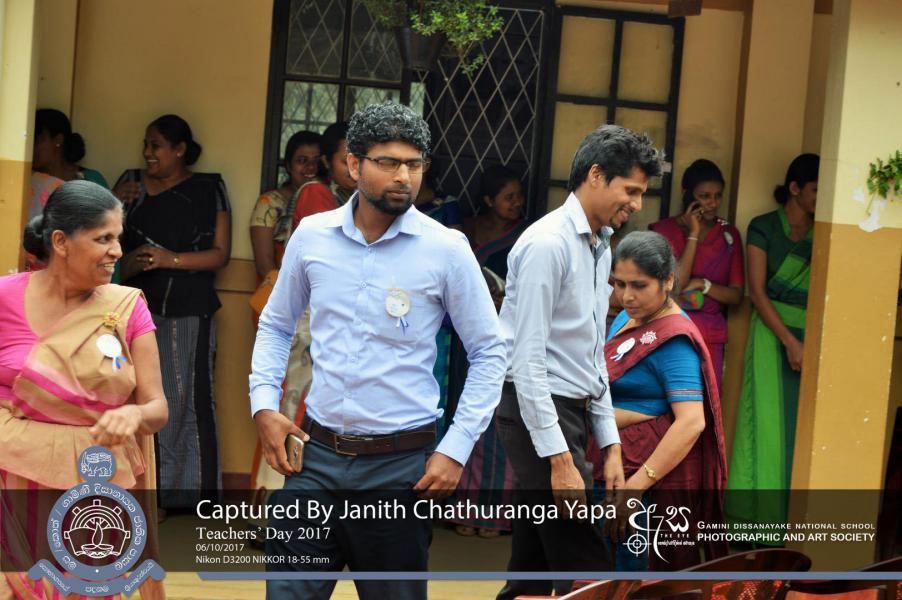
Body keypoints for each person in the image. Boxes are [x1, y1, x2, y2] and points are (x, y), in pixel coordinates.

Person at [249, 103, 506, 600]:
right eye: (388, 162)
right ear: (353, 165)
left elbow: (489, 352)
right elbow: (277, 324)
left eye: (414, 164)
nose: (403, 176)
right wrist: (263, 405)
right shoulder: (313, 237)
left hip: (400, 470)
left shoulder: (447, 249)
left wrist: (455, 449)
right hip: (315, 460)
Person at [495, 124, 662, 600]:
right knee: (588, 569)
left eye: (641, 193)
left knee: (531, 570)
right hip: (536, 411)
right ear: (595, 175)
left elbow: (592, 356)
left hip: (568, 411)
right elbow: (526, 360)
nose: (637, 204)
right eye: (630, 190)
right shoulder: (547, 244)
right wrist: (560, 460)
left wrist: (610, 444)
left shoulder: (600, 246)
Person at [0, 180, 168, 598]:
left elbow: (157, 407)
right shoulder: (4, 298)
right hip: (12, 486)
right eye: (103, 239)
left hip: (94, 488)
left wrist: (134, 413)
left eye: (118, 238)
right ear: (61, 242)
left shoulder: (127, 307)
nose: (117, 251)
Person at [116, 114, 231, 510]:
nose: (148, 153)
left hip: (188, 308)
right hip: (133, 307)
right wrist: (130, 257)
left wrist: (169, 259)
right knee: (132, 396)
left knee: (184, 397)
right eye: (145, 145)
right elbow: (105, 242)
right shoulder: (129, 185)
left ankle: (184, 495)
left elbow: (220, 254)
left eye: (157, 146)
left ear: (180, 150)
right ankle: (138, 492)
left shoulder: (208, 189)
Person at [601, 231, 728, 570]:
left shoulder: (674, 339)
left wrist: (635, 489)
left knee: (628, 582)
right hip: (610, 467)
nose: (627, 295)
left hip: (639, 484)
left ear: (668, 281)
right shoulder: (627, 318)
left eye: (639, 285)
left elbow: (691, 422)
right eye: (620, 284)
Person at [726, 153, 819, 534]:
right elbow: (758, 293)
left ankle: (792, 523)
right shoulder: (763, 227)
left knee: (800, 431)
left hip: (811, 335)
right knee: (765, 426)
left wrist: (806, 342)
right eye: (816, 190)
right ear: (795, 188)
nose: (821, 198)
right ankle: (759, 524)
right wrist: (790, 342)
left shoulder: (823, 231)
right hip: (771, 333)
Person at [451, 164, 527, 537]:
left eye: (519, 196)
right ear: (487, 199)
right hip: (462, 340)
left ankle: (495, 512)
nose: (517, 203)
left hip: (505, 340)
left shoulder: (524, 239)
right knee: (464, 418)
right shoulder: (464, 231)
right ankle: (462, 507)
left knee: (498, 424)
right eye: (508, 197)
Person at [650, 159, 744, 389]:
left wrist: (704, 284)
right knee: (668, 402)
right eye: (705, 196)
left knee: (706, 405)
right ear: (687, 194)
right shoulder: (662, 231)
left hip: (710, 337)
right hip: (670, 331)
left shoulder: (729, 235)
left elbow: (736, 295)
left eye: (718, 196)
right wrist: (693, 233)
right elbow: (677, 285)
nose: (713, 203)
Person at [250, 130, 323, 280]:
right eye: (302, 160)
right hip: (280, 289)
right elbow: (264, 266)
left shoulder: (330, 201)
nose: (311, 167)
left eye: (317, 161)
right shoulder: (269, 203)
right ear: (288, 166)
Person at [291, 121, 356, 230]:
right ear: (326, 161)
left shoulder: (350, 193)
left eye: (361, 161)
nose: (356, 168)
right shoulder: (315, 192)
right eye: (346, 162)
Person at [32, 108, 109, 187]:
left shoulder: (92, 179)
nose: (30, 147)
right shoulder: (28, 179)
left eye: (37, 139)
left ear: (58, 140)